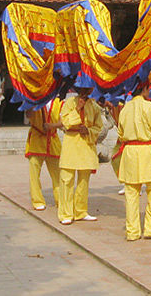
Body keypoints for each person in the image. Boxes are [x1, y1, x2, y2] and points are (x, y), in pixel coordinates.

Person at [117, 80, 151, 240]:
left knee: (131, 193)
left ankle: (132, 232)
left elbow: (120, 134)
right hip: (146, 150)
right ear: (145, 89)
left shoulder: (125, 109)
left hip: (130, 151)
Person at [57, 87, 103, 225]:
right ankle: (65, 213)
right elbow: (65, 122)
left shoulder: (94, 106)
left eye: (88, 89)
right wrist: (78, 108)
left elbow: (98, 127)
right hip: (71, 142)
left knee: (84, 180)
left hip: (86, 144)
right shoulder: (70, 102)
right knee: (67, 179)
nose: (86, 91)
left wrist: (88, 130)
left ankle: (81, 211)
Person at [25, 98, 63, 211]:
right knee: (34, 174)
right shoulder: (33, 100)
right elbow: (28, 115)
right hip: (37, 140)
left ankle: (60, 200)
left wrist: (52, 126)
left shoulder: (59, 102)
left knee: (58, 175)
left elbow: (64, 121)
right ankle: (37, 200)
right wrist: (33, 103)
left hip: (52, 141)